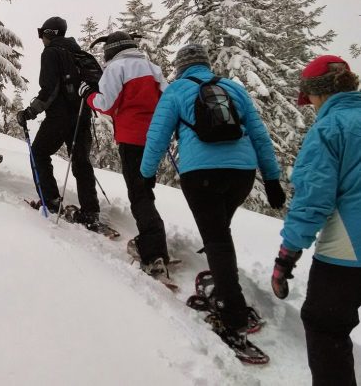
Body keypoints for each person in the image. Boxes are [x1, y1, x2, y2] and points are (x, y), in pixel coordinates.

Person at [139, 43, 286, 352]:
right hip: (241, 174)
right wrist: (271, 180)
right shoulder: (234, 88)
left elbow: (157, 136)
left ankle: (232, 314)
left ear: (180, 67)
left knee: (216, 237)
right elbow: (259, 135)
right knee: (220, 231)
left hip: (200, 174)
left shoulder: (177, 91)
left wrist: (146, 173)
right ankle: (227, 290)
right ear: (206, 64)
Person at [271, 55, 361, 386]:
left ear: (320, 94)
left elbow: (313, 200)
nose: (309, 105)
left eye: (308, 97)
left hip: (349, 250)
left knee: (325, 325)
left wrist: (287, 256)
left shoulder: (330, 128)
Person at [79, 31, 170, 275]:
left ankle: (153, 250)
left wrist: (88, 96)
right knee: (145, 191)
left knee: (139, 193)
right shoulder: (152, 67)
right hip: (156, 137)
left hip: (132, 138)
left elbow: (106, 104)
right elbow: (167, 101)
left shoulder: (116, 67)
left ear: (111, 50)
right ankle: (155, 243)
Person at [16, 16, 101, 226]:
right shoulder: (77, 53)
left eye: (42, 33)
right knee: (81, 162)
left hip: (59, 117)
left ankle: (51, 200)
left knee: (39, 153)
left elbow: (50, 89)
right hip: (82, 115)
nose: (41, 37)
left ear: (50, 33)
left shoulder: (51, 52)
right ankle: (90, 211)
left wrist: (30, 112)